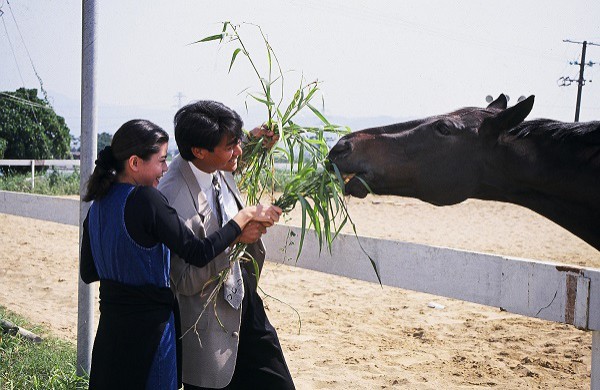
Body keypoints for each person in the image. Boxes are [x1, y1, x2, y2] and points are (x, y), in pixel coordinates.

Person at [80, 119, 281, 390]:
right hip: (151, 336)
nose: (165, 169)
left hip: (110, 336)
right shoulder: (146, 201)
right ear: (135, 163)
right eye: (161, 160)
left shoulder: (97, 207)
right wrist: (240, 221)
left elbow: (88, 271)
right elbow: (198, 253)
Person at [158, 100, 295, 389]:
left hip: (245, 300)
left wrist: (257, 142)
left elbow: (230, 163)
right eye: (231, 145)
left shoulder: (211, 161)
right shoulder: (172, 199)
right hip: (208, 322)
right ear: (198, 151)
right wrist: (236, 237)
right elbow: (183, 281)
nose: (239, 151)